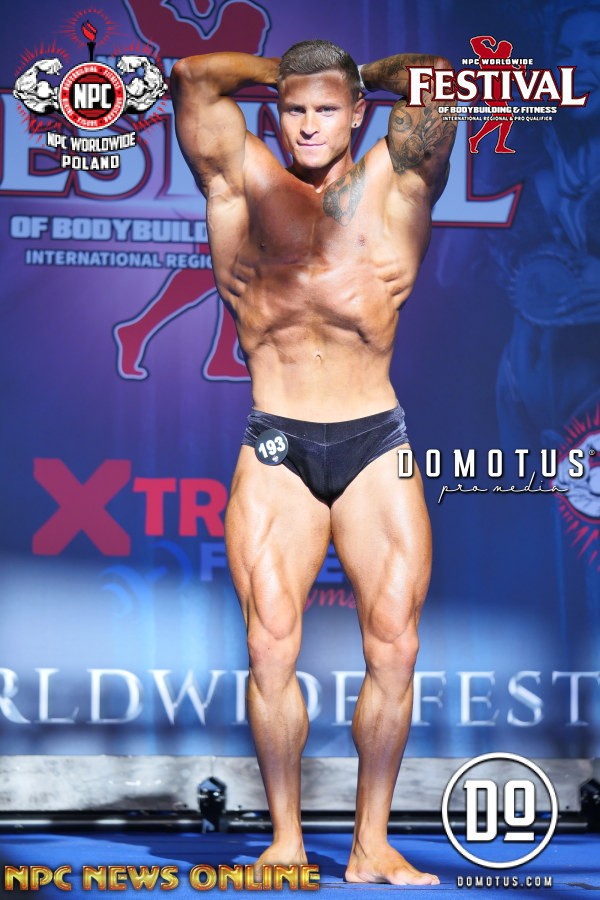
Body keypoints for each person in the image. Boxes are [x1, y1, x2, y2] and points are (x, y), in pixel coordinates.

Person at [171, 40, 456, 886]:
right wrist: (287, 69)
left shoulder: (397, 183)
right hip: (277, 439)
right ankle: (286, 842)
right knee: (269, 646)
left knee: (396, 645)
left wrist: (356, 70)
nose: (307, 124)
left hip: (376, 439)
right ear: (276, 110)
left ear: (358, 113)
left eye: (327, 108)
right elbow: (191, 78)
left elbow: (439, 83)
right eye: (295, 108)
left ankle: (371, 845)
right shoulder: (243, 181)